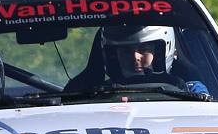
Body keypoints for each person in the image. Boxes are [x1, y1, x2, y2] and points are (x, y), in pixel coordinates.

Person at [65, 24, 210, 97]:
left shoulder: (189, 90)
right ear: (113, 56)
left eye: (143, 50)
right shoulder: (97, 94)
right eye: (126, 51)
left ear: (161, 51)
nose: (135, 58)